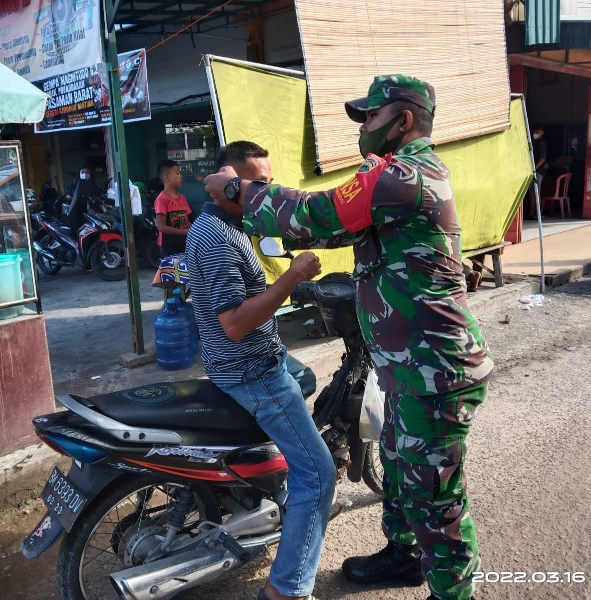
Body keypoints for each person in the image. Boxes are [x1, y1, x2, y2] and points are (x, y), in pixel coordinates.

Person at [205, 75, 493, 600]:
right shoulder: (388, 179)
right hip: (409, 366)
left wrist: (236, 190)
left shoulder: (404, 176)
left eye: (371, 118)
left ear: (403, 121)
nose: (362, 129)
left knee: (434, 492)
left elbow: (315, 213)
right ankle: (403, 555)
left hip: (435, 370)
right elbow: (326, 230)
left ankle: (454, 592)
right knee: (401, 464)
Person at [186, 141, 336, 600]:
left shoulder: (230, 224)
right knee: (318, 474)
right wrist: (291, 278)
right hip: (251, 369)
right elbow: (233, 324)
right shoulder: (216, 237)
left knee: (306, 378)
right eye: (253, 185)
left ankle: (265, 478)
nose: (260, 193)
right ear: (221, 186)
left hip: (249, 360)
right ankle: (286, 589)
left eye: (264, 184)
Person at [154, 160, 192, 258]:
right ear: (166, 177)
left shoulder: (182, 197)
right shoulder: (161, 199)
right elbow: (161, 226)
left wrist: (194, 230)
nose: (180, 176)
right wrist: (184, 232)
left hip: (184, 243)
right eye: (177, 173)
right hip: (169, 246)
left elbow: (186, 221)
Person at [527, 124, 548, 219]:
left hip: (538, 171)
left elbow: (542, 159)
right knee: (531, 192)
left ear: (542, 133)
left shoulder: (541, 143)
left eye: (538, 132)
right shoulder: (533, 142)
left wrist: (534, 168)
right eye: (535, 131)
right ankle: (531, 213)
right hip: (531, 170)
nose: (535, 133)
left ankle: (538, 214)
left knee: (536, 192)